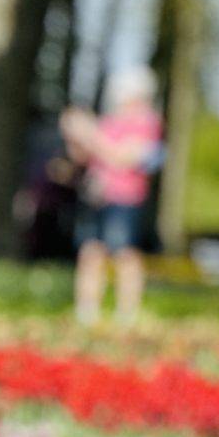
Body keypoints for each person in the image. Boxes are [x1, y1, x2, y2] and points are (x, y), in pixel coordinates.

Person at [65, 66, 165, 329]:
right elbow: (87, 156)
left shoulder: (147, 122)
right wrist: (75, 135)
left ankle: (127, 313)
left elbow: (123, 157)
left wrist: (89, 133)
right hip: (96, 197)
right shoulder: (109, 122)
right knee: (90, 252)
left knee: (124, 254)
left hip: (126, 199)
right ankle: (87, 312)